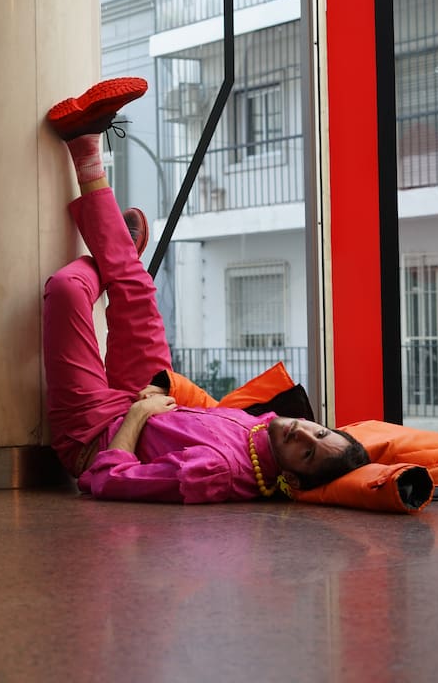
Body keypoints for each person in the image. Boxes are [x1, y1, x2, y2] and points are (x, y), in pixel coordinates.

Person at [43, 78, 369, 503]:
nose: (300, 430)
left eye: (307, 452)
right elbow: (196, 414)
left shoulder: (215, 473)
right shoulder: (259, 426)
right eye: (320, 431)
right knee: (137, 290)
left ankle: (114, 251)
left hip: (96, 432)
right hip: (150, 394)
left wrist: (139, 413)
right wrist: (163, 391)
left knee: (67, 288)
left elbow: (108, 480)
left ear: (294, 482)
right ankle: (83, 140)